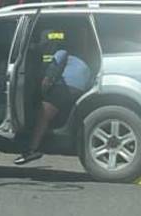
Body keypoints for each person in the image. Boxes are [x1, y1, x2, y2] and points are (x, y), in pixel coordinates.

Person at [14, 30, 92, 165]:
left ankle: (32, 149)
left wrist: (43, 92)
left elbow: (51, 74)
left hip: (65, 86)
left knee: (43, 114)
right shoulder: (83, 59)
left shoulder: (61, 52)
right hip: (80, 89)